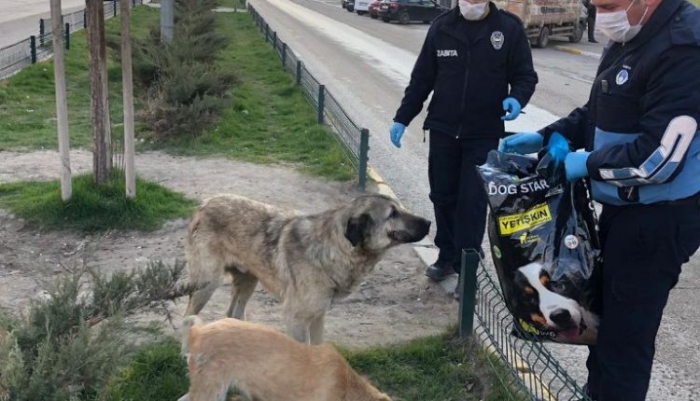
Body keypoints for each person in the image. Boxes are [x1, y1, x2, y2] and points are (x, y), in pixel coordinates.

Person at [499, 0, 700, 398]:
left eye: (609, 4)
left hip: (659, 217)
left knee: (625, 339)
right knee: (603, 324)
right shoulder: (631, 32)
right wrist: (548, 135)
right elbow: (599, 111)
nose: (599, 11)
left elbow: (657, 159)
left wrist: (583, 164)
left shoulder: (684, 49)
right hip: (624, 209)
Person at [388, 0, 538, 291]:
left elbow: (525, 76)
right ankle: (446, 256)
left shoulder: (507, 29)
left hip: (482, 134)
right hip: (443, 130)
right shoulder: (442, 27)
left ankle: (467, 268)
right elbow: (422, 79)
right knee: (443, 196)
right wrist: (402, 118)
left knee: (471, 202)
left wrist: (518, 98)